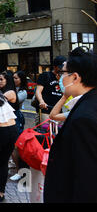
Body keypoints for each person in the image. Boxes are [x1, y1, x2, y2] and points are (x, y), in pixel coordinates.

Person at [44, 47, 97, 202]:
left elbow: (87, 180)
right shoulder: (88, 105)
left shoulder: (84, 119)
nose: (60, 78)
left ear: (75, 77)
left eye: (63, 73)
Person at [35, 56, 67, 123]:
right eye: (60, 67)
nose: (62, 69)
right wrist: (41, 101)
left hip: (58, 112)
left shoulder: (65, 78)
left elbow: (66, 93)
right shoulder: (45, 75)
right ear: (55, 67)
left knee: (57, 132)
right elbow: (38, 91)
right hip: (45, 110)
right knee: (44, 131)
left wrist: (60, 81)